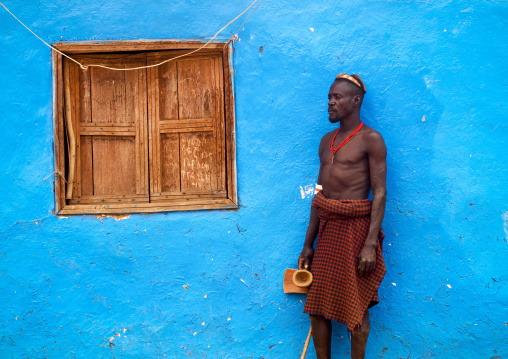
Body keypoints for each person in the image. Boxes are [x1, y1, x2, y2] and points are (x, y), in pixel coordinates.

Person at [298, 74, 387, 359]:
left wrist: (370, 244)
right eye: (329, 98)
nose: (330, 103)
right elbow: (319, 195)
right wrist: (308, 243)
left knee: (357, 309)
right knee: (317, 308)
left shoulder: (371, 139)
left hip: (356, 233)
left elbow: (380, 193)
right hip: (327, 230)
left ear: (356, 100)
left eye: (336, 97)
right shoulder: (326, 141)